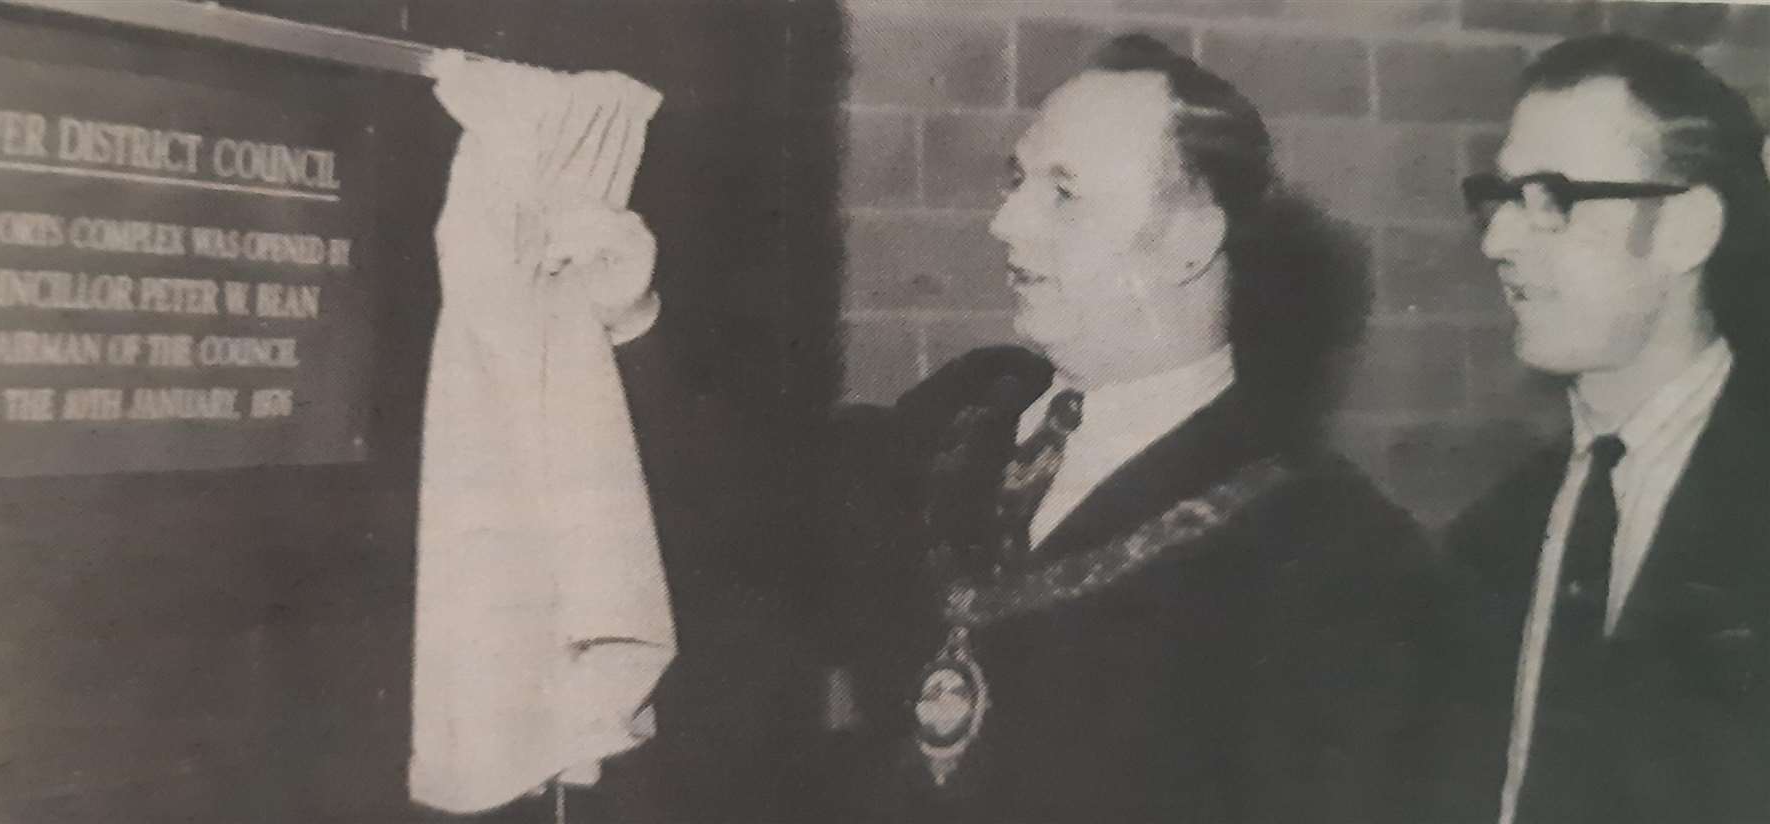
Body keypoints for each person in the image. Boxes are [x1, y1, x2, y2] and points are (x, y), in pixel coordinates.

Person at [562, 33, 1431, 824]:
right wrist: (634, 315)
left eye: (1065, 195)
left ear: (1190, 242)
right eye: (1017, 181)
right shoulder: (968, 415)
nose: (1005, 222)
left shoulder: (1323, 550)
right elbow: (761, 516)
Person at [1427, 33, 1770, 824]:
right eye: (1501, 196)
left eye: (1552, 198)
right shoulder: (1490, 538)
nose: (1498, 241)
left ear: (1685, 231)